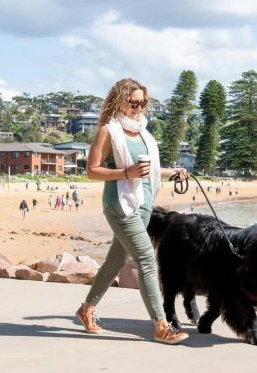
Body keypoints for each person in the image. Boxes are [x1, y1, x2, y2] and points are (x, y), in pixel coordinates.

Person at [75, 78, 188, 345]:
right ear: (120, 101)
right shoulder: (108, 130)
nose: (138, 107)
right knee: (147, 259)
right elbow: (92, 170)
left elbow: (145, 170)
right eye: (133, 102)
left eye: (143, 102)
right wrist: (126, 173)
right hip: (120, 204)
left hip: (144, 204)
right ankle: (161, 326)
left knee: (115, 261)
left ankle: (86, 309)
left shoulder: (144, 133)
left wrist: (171, 172)